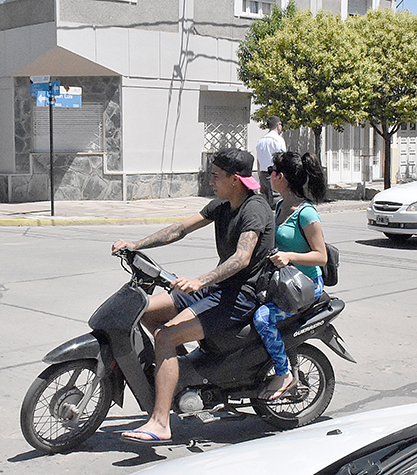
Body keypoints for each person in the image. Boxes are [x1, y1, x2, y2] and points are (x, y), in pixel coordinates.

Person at [113, 148, 274, 444]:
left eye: (215, 175)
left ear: (235, 180)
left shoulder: (254, 209)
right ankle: (185, 372)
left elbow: (241, 258)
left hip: (240, 297)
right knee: (146, 310)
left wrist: (200, 280)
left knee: (165, 336)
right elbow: (179, 229)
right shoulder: (223, 205)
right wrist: (135, 245)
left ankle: (161, 423)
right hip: (217, 289)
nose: (210, 180)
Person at [254, 151, 328, 400]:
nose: (268, 176)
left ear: (281, 177)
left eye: (271, 172)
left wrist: (290, 257)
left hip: (305, 285)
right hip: (284, 283)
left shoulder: (306, 213)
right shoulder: (279, 206)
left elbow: (321, 256)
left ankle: (284, 374)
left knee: (263, 319)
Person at [256, 116, 286, 208]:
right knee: (277, 203)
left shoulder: (261, 141)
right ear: (278, 125)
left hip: (263, 174)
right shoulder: (278, 140)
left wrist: (260, 178)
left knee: (266, 204)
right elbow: (283, 159)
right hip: (275, 174)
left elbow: (258, 161)